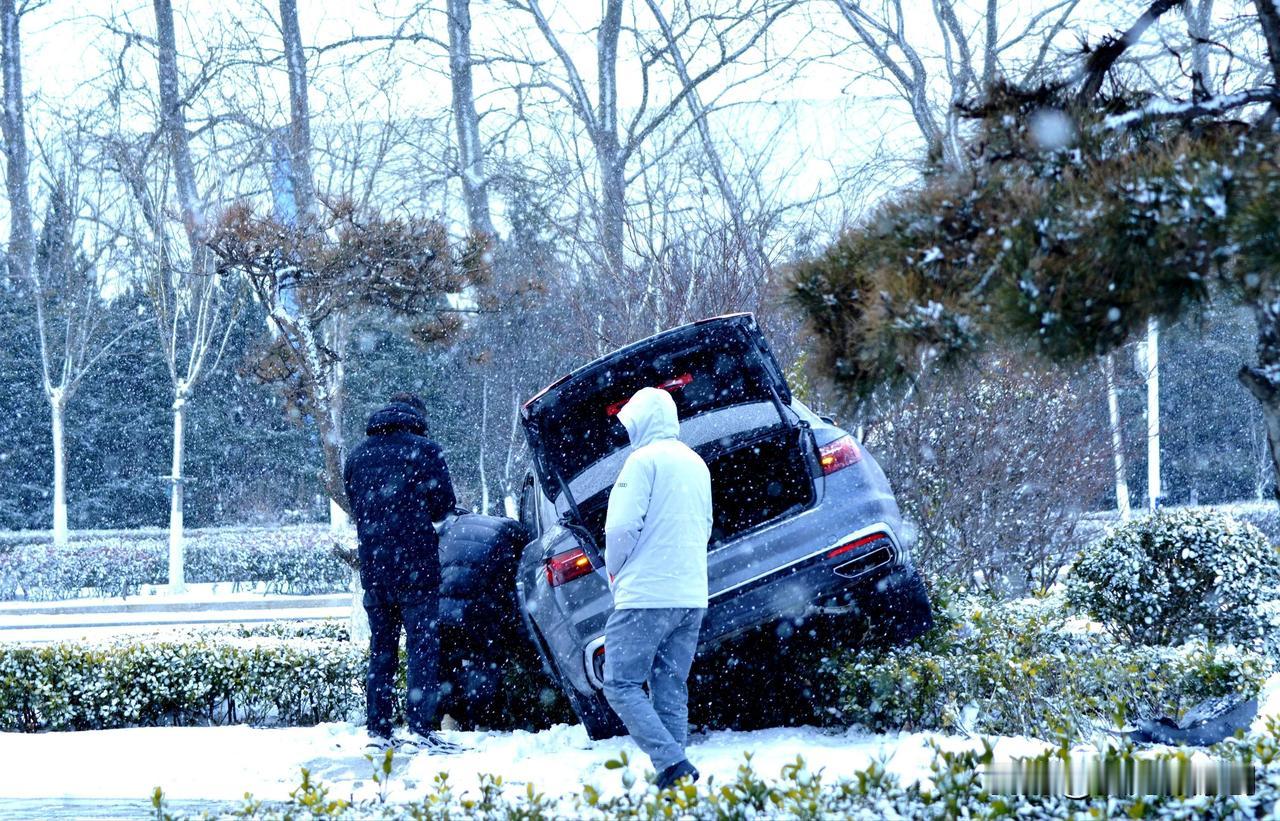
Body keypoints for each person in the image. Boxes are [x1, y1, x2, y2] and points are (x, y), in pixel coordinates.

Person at [602, 386, 713, 790]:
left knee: (620, 683)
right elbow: (705, 528)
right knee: (670, 682)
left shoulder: (641, 462)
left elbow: (620, 528)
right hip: (691, 595)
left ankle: (671, 762)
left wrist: (615, 569)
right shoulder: (696, 463)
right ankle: (675, 775)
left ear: (642, 421)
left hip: (646, 596)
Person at [343, 391, 461, 754]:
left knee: (382, 649)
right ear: (417, 418)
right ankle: (422, 726)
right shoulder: (426, 451)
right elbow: (443, 507)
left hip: (376, 568)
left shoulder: (357, 456)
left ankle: (378, 728)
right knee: (422, 647)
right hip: (416, 568)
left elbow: (356, 506)